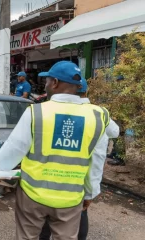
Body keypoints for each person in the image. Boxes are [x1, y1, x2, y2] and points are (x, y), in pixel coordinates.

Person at [0, 61, 113, 239]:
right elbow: (96, 160)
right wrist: (90, 193)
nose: (45, 84)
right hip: (71, 199)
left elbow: (13, 150)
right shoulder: (98, 116)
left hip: (32, 195)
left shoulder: (36, 112)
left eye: (47, 80)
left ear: (56, 83)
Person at [39, 78, 119, 240]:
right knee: (79, 215)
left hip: (52, 175)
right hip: (80, 180)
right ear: (86, 92)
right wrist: (90, 192)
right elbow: (115, 132)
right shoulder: (99, 113)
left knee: (48, 214)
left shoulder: (52, 110)